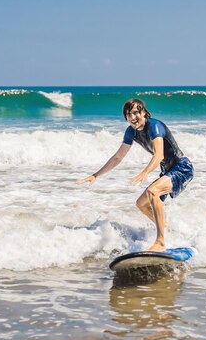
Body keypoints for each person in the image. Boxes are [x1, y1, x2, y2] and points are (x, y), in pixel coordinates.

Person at [77, 98, 193, 252]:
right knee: (141, 204)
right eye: (128, 114)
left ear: (143, 112)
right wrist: (95, 175)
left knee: (153, 192)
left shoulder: (154, 126)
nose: (132, 117)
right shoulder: (131, 132)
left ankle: (160, 241)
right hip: (167, 171)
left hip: (182, 167)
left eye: (135, 113)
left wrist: (145, 172)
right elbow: (118, 157)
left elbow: (159, 155)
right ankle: (166, 229)